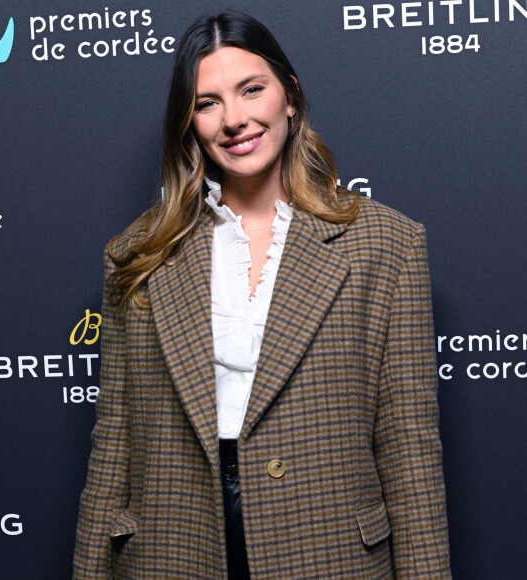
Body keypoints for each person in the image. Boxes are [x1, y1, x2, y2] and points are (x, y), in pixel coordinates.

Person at [74, 10, 451, 580]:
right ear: (189, 123)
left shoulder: (388, 245)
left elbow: (409, 454)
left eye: (252, 89)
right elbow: (113, 449)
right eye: (208, 103)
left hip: (329, 554)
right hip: (172, 553)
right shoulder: (136, 253)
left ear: (290, 96)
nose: (235, 119)